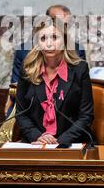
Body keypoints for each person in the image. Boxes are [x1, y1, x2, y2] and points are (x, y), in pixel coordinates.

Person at [15, 18, 94, 146]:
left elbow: (86, 116)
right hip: (36, 143)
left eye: (54, 38)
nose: (49, 44)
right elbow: (21, 114)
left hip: (72, 142)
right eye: (43, 39)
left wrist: (60, 142)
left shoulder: (80, 70)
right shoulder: (28, 69)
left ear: (65, 41)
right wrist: (38, 136)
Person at [6, 5, 86, 116]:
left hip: (67, 110)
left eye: (68, 25)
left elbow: (81, 92)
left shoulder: (77, 51)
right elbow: (15, 88)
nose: (65, 28)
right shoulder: (24, 51)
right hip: (31, 108)